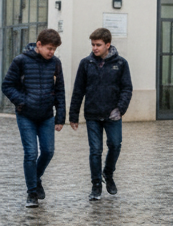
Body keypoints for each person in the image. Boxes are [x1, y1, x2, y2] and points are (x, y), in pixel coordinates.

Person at [2, 29, 66, 207]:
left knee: (48, 151)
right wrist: (22, 101)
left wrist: (60, 117)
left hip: (46, 115)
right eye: (49, 48)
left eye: (54, 49)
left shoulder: (55, 64)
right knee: (31, 153)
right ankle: (31, 192)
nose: (52, 52)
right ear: (39, 45)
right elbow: (7, 85)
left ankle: (36, 179)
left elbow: (60, 91)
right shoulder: (20, 61)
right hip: (26, 115)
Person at [69, 28, 133, 201]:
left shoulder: (121, 63)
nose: (95, 48)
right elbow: (78, 91)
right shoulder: (86, 63)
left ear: (108, 45)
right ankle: (96, 185)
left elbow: (127, 88)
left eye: (98, 45)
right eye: (93, 45)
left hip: (113, 115)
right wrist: (73, 115)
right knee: (95, 151)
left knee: (115, 145)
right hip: (92, 115)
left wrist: (120, 109)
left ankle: (108, 173)